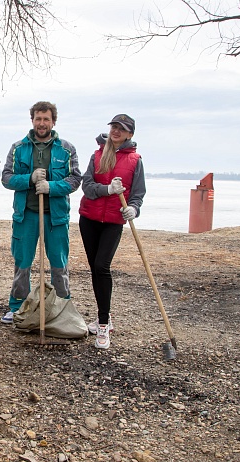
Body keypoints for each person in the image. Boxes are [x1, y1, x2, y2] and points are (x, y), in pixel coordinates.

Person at [1, 101, 81, 324]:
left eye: (46, 119)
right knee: (22, 263)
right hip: (26, 215)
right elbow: (6, 178)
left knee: (58, 264)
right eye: (38, 118)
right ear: (32, 120)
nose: (42, 123)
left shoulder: (66, 149)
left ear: (53, 121)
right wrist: (29, 179)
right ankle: (18, 307)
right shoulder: (18, 148)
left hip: (55, 217)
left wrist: (51, 187)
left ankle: (62, 307)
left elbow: (75, 180)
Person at [78, 114, 146, 349]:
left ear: (130, 134)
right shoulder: (97, 154)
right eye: (114, 127)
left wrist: (134, 210)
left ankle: (104, 324)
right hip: (89, 218)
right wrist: (107, 189)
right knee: (94, 269)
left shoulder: (135, 160)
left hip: (114, 221)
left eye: (122, 129)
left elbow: (138, 193)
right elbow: (86, 185)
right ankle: (102, 316)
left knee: (101, 267)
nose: (116, 131)